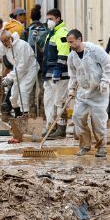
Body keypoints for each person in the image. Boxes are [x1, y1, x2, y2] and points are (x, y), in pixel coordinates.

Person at [66, 29, 110, 158]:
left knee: (98, 120)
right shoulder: (72, 56)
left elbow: (109, 63)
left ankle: (102, 147)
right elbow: (73, 74)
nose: (69, 45)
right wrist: (71, 88)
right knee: (77, 116)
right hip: (83, 93)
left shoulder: (94, 50)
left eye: (71, 42)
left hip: (98, 91)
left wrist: (105, 81)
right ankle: (85, 146)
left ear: (79, 39)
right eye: (68, 42)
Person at [0, 30, 38, 118]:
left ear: (10, 39)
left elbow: (22, 66)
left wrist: (9, 77)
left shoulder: (22, 45)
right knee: (14, 95)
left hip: (29, 70)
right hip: (17, 71)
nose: (4, 45)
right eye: (2, 42)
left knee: (23, 91)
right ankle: (18, 116)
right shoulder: (4, 45)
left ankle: (25, 115)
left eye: (5, 42)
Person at [42, 8, 71, 138]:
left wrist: (58, 70)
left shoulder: (62, 33)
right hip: (48, 73)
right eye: (47, 19)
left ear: (58, 19)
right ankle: (50, 126)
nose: (49, 21)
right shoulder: (51, 33)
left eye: (51, 19)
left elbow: (64, 52)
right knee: (48, 101)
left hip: (59, 75)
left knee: (59, 101)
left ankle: (61, 128)